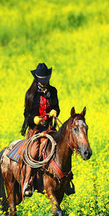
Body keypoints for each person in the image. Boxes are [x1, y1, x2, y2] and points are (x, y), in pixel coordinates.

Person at [20, 63, 75, 197]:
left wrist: (55, 111)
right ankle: (28, 182)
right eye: (41, 80)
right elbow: (26, 115)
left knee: (64, 148)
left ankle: (67, 182)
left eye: (46, 80)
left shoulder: (53, 91)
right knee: (33, 152)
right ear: (37, 79)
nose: (44, 83)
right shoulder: (30, 94)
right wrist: (34, 119)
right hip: (36, 131)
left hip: (50, 129)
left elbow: (57, 106)